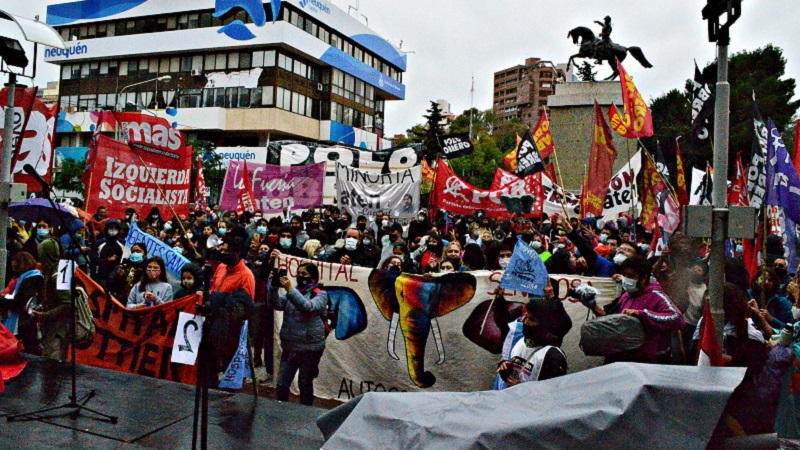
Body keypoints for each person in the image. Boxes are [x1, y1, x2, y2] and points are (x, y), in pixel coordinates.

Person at [583, 256, 685, 364]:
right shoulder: (626, 296)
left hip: (643, 361)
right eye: (625, 275)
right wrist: (592, 306)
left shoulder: (656, 296)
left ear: (644, 278)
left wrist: (642, 314)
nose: (626, 279)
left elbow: (677, 319)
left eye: (631, 276)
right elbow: (611, 319)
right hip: (619, 358)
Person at [267, 261, 328, 406]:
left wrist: (289, 289)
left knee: (304, 383)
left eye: (304, 274)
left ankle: (306, 413)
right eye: (298, 274)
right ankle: (281, 412)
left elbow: (308, 307)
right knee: (282, 384)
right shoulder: (293, 292)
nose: (300, 277)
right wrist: (273, 287)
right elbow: (275, 304)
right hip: (290, 346)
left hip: (310, 348)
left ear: (313, 278)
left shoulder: (320, 294)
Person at [495, 294, 569, 389]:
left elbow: (553, 396)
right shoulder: (521, 343)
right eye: (525, 317)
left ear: (544, 325)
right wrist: (505, 369)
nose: (524, 322)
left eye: (531, 319)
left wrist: (523, 391)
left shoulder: (552, 357)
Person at [32, 237, 72, 361]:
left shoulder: (57, 275)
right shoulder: (57, 270)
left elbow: (67, 304)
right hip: (54, 326)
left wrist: (45, 315)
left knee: (51, 364)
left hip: (57, 329)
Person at [0, 251, 43, 354]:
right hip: (26, 323)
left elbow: (19, 302)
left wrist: (2, 300)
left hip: (22, 325)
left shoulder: (30, 280)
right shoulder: (34, 277)